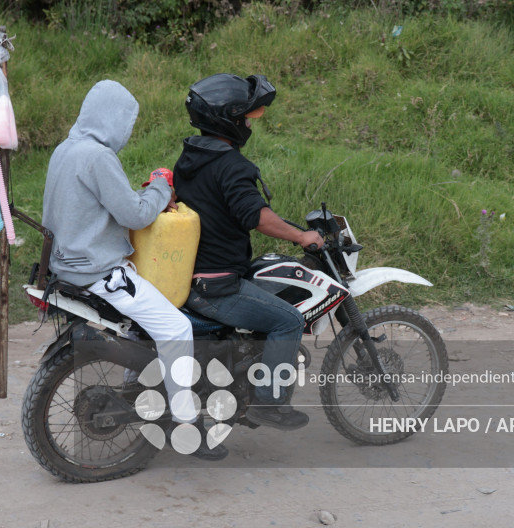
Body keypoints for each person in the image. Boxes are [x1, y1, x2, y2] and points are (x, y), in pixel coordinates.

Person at [41, 80, 227, 461]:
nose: (127, 131)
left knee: (148, 324)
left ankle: (136, 386)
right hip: (96, 271)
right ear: (113, 119)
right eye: (127, 122)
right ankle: (187, 423)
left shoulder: (66, 149)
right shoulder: (97, 156)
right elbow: (136, 214)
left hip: (63, 267)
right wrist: (160, 184)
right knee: (177, 328)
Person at [173, 73, 324, 431]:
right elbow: (256, 216)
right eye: (244, 118)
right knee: (288, 320)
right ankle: (268, 404)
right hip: (216, 287)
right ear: (227, 118)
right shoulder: (232, 166)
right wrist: (303, 238)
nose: (247, 124)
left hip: (187, 278)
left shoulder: (190, 156)